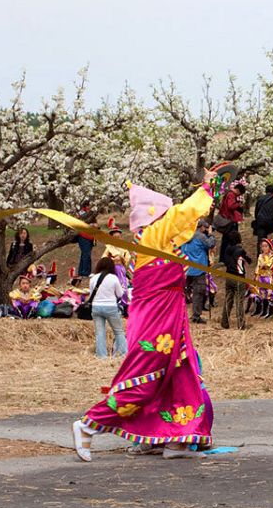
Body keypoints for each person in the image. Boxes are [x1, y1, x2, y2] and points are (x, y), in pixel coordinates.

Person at [72, 172, 217, 461]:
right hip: (157, 325)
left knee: (181, 374)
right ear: (155, 216)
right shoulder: (152, 235)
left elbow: (184, 225)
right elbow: (183, 215)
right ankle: (88, 425)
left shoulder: (155, 241)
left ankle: (174, 438)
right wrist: (206, 188)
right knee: (144, 381)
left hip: (170, 321)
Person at [89, 256, 127, 359]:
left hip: (96, 307)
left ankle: (101, 356)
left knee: (100, 333)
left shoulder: (93, 278)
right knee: (118, 331)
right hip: (110, 307)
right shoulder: (113, 278)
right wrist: (123, 289)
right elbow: (119, 294)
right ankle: (122, 354)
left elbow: (91, 293)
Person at [181, 219, 215, 324]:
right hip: (198, 269)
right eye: (204, 228)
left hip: (185, 268)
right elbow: (211, 244)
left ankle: (179, 315)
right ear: (200, 227)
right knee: (199, 292)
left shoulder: (184, 236)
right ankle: (196, 315)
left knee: (181, 293)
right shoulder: (201, 236)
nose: (205, 229)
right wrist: (211, 234)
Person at [220, 230, 251, 330]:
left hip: (229, 276)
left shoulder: (227, 250)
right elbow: (249, 260)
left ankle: (224, 322)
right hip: (238, 278)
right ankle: (241, 324)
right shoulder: (240, 251)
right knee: (239, 301)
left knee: (228, 299)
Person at [101, 219, 132, 315]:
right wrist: (113, 261)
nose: (117, 238)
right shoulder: (109, 247)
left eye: (119, 236)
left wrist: (121, 259)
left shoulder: (124, 248)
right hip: (111, 270)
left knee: (123, 287)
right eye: (115, 237)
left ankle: (122, 304)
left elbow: (128, 259)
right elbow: (103, 259)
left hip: (121, 270)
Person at [253, 237, 273, 318]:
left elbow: (269, 265)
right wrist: (257, 275)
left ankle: (271, 312)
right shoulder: (260, 256)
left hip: (269, 277)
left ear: (270, 247)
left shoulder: (272, 256)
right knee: (262, 294)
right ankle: (264, 310)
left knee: (270, 294)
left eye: (266, 246)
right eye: (263, 246)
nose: (264, 248)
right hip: (261, 277)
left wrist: (264, 265)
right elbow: (258, 267)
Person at [252, 184, 273, 253]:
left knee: (261, 240)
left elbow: (256, 212)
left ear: (265, 191)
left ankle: (260, 256)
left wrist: (258, 220)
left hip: (261, 222)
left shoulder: (260, 198)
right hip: (272, 222)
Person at [74, 201, 97, 277]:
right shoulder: (80, 214)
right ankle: (86, 272)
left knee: (85, 254)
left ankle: (81, 271)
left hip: (90, 237)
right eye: (89, 205)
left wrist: (94, 226)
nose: (90, 207)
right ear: (86, 206)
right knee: (86, 254)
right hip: (83, 236)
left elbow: (96, 224)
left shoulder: (91, 214)